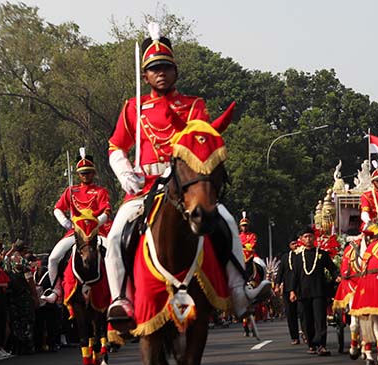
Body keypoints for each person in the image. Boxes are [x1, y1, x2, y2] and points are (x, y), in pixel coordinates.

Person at [105, 27, 270, 330]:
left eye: (166, 67)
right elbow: (117, 145)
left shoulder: (194, 105)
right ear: (146, 76)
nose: (161, 74)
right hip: (144, 186)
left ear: (175, 71)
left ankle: (238, 291)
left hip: (185, 183)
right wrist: (125, 173)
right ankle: (121, 298)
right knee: (116, 236)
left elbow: (204, 141)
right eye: (155, 69)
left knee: (227, 222)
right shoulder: (133, 107)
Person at [42, 151, 111, 304]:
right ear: (79, 175)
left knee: (114, 255)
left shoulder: (101, 191)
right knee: (53, 258)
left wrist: (94, 224)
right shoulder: (71, 191)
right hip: (76, 233)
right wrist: (66, 223)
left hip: (96, 233)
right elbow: (57, 208)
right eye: (82, 173)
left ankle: (117, 291)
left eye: (88, 173)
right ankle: (56, 290)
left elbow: (106, 212)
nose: (86, 176)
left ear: (93, 173)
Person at [289, 227, 339, 356]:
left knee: (320, 319)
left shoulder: (322, 254)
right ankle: (311, 344)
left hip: (319, 292)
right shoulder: (298, 258)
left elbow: (332, 269)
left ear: (314, 238)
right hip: (303, 293)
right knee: (306, 320)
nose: (308, 239)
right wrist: (292, 291)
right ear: (301, 240)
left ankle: (322, 345)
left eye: (310, 236)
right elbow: (294, 276)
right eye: (305, 237)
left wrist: (337, 276)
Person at [276, 238, 302, 345]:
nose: (295, 245)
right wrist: (277, 285)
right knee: (290, 315)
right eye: (293, 244)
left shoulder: (303, 256)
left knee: (303, 313)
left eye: (297, 243)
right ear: (289, 246)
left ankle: (306, 333)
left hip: (301, 289)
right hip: (287, 289)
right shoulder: (285, 257)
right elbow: (280, 273)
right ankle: (295, 337)